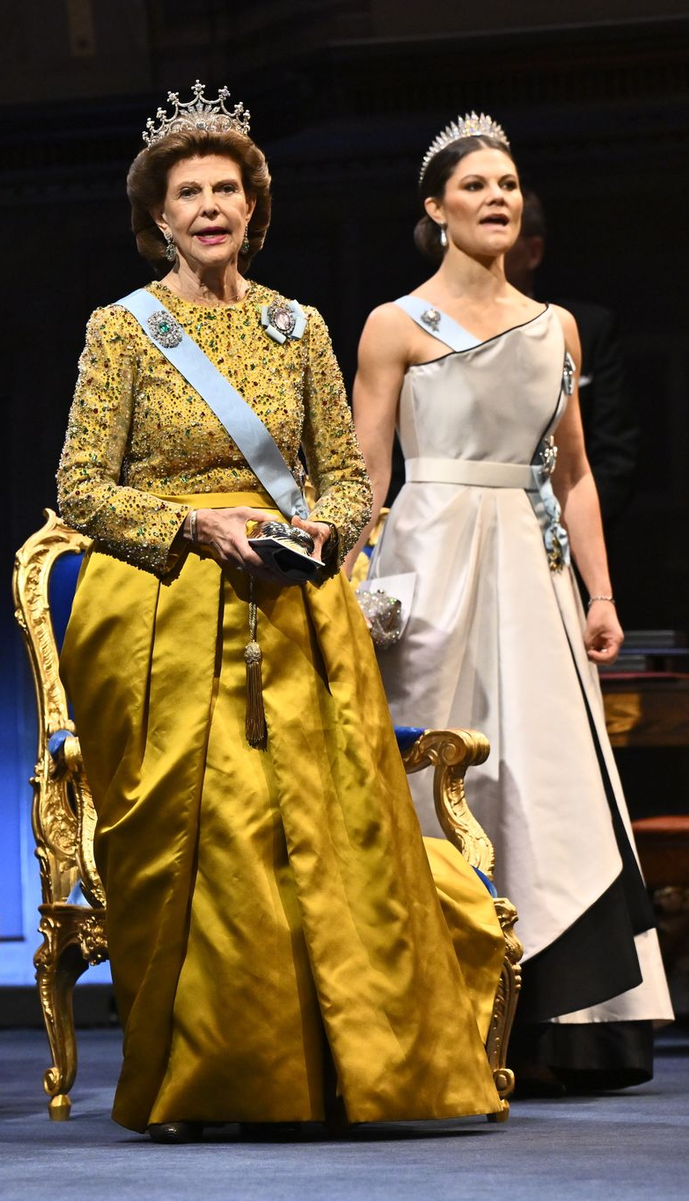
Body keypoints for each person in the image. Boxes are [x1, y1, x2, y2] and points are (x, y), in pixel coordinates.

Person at [55, 82, 505, 1141]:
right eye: (188, 193)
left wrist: (322, 534)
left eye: (227, 189)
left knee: (332, 833)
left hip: (297, 607)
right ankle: (226, 1074)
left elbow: (347, 479)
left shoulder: (300, 326)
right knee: (224, 840)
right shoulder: (121, 334)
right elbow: (82, 486)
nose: (210, 207)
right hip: (167, 609)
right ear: (157, 216)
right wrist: (193, 527)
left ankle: (353, 1070)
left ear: (254, 208)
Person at [348, 113, 671, 1093]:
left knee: (549, 777)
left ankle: (568, 1023)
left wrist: (602, 590)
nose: (498, 197)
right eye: (477, 185)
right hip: (433, 553)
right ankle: (434, 1008)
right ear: (436, 210)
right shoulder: (394, 324)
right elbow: (366, 478)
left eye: (509, 184)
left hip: (532, 570)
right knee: (438, 768)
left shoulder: (555, 326)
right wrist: (360, 584)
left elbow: (572, 475)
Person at [504, 188, 638, 536]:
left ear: (532, 251)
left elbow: (612, 457)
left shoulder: (581, 327)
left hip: (561, 536)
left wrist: (560, 531)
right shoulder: (424, 332)